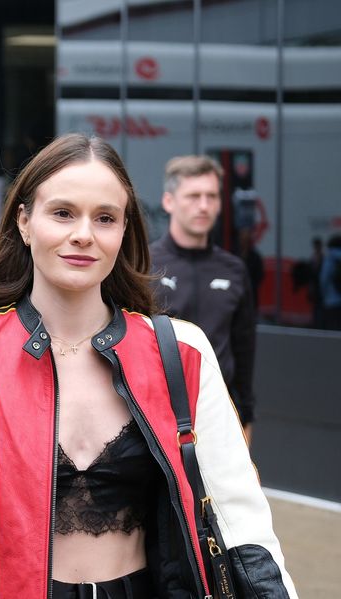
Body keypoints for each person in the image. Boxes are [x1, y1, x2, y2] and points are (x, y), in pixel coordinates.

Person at [0, 134, 295, 598]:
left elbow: (241, 520)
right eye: (63, 213)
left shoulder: (183, 352)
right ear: (24, 221)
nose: (83, 233)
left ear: (124, 231)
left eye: (105, 218)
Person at [149, 155, 257, 443]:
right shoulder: (144, 265)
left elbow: (244, 349)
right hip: (156, 415)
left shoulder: (234, 270)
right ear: (169, 201)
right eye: (193, 196)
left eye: (211, 196)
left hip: (218, 416)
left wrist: (245, 419)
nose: (204, 205)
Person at [321, 234, 341, 330]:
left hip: (332, 299)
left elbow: (324, 278)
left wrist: (323, 295)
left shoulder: (330, 258)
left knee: (333, 329)